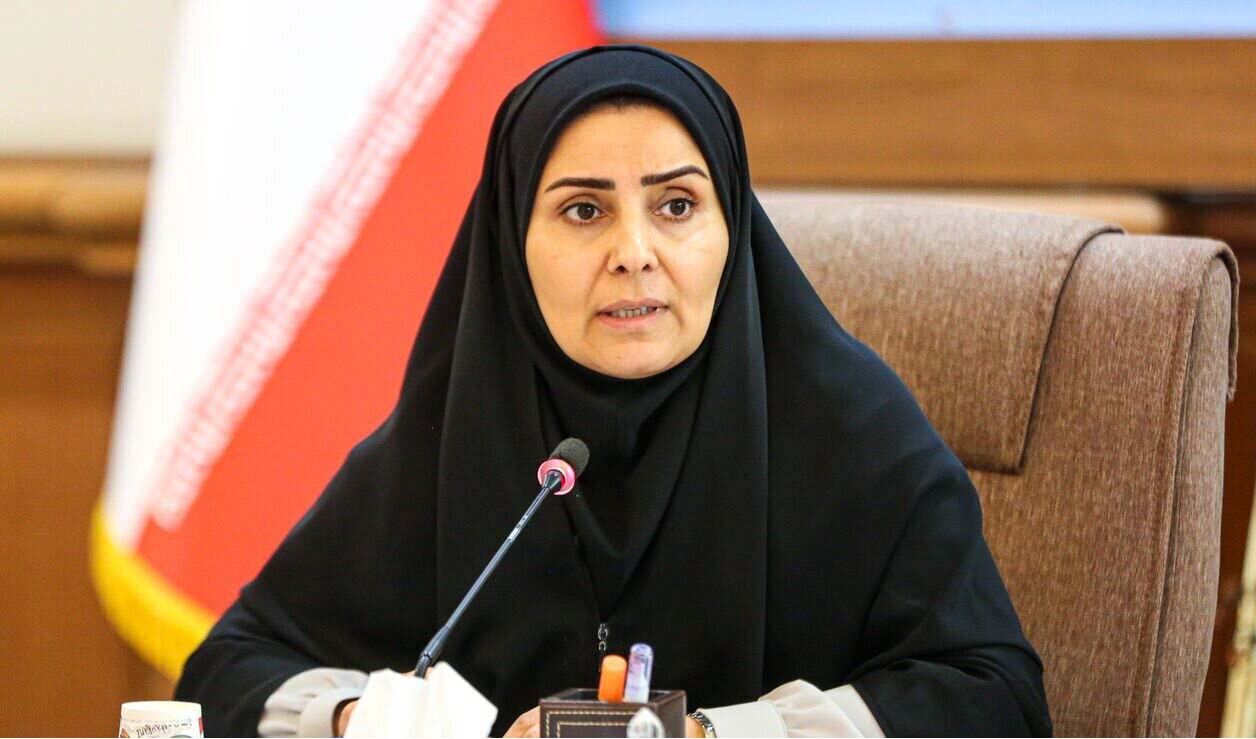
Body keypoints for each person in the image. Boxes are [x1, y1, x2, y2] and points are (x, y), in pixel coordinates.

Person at [174, 45, 1051, 738]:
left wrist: (711, 735)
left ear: (731, 226)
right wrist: (361, 718)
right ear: (512, 242)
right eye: (584, 210)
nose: (634, 252)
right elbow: (227, 671)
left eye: (677, 206)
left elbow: (993, 696)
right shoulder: (452, 432)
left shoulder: (847, 429)